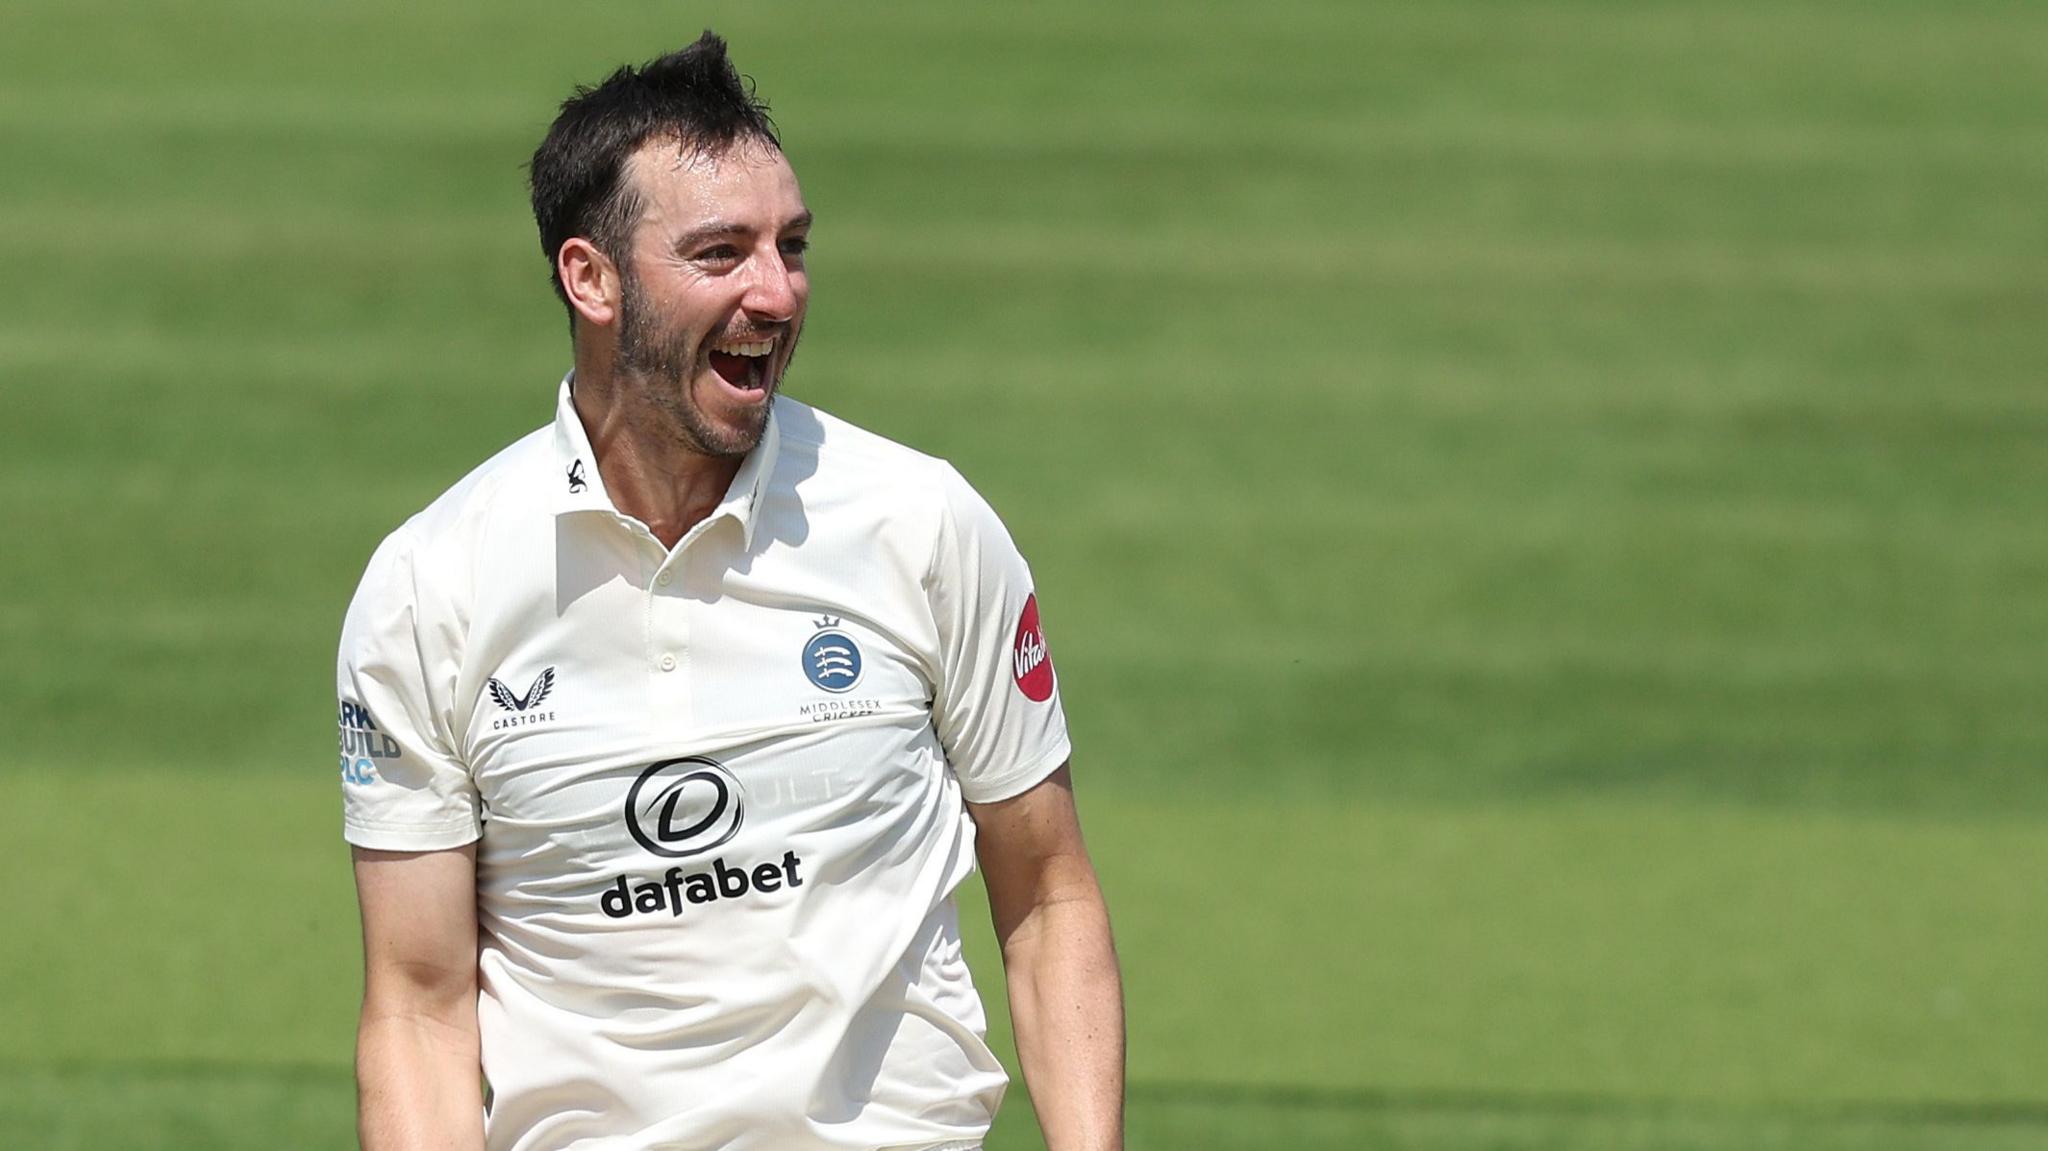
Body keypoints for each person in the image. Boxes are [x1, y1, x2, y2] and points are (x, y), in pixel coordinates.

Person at [335, 31, 1123, 1151]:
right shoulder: (432, 585)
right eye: (719, 252)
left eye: (790, 245)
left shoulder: (921, 521)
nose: (776, 290)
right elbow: (416, 1004)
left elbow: (1046, 893)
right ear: (589, 277)